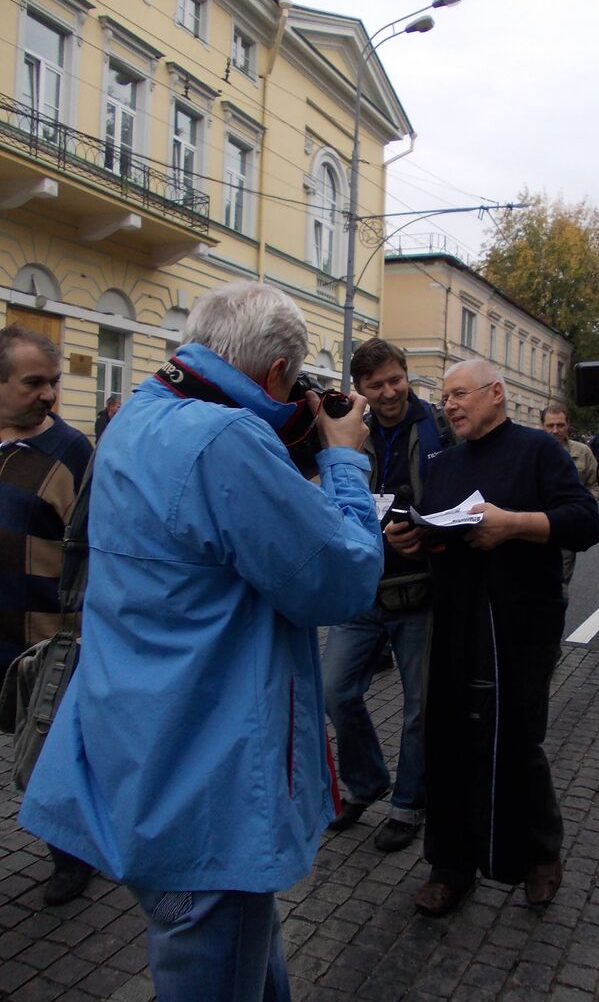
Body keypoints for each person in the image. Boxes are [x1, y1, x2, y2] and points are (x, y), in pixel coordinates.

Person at [19, 281, 384, 1001]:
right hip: (207, 783)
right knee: (218, 964)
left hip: (141, 749)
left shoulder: (140, 415)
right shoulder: (225, 437)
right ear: (277, 374)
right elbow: (339, 584)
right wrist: (344, 460)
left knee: (246, 961)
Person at [387, 360, 599, 915]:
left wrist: (513, 524)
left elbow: (585, 521)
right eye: (445, 396)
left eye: (460, 394)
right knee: (448, 733)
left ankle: (539, 854)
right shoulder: (445, 463)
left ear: (497, 393)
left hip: (522, 615)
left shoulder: (538, 450)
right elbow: (440, 534)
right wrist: (416, 541)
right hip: (457, 612)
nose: (450, 404)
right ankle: (451, 864)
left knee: (516, 735)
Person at [323, 338, 452, 852]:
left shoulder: (438, 426)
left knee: (420, 707)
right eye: (376, 385)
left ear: (406, 374)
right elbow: (333, 494)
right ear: (361, 390)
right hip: (363, 590)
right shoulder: (351, 429)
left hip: (421, 591)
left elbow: (463, 495)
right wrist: (378, 534)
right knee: (335, 691)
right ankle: (365, 782)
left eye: (395, 379)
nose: (389, 391)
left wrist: (427, 533)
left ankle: (408, 803)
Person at [0, 325, 94, 906]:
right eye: (33, 383)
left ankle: (72, 854)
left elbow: (94, 549)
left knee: (47, 761)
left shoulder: (72, 451)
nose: (48, 395)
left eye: (53, 383)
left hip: (43, 644)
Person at [541, 404, 599, 593]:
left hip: (566, 527)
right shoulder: (530, 450)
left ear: (568, 425)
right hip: (535, 525)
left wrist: (580, 507)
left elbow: (596, 485)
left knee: (560, 587)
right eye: (550, 425)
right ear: (542, 425)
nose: (555, 431)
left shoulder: (583, 452)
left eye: (560, 425)